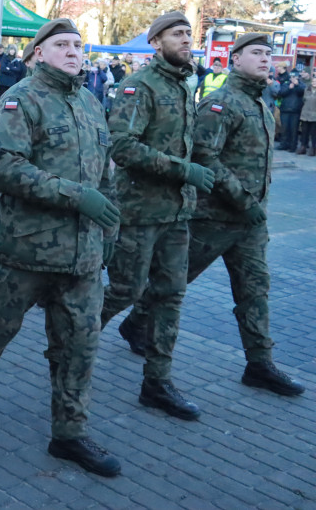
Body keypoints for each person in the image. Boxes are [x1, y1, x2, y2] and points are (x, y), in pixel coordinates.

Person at [0, 18, 121, 478]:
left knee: (79, 346)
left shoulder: (91, 102)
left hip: (82, 257)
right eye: (62, 45)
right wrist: (76, 196)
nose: (74, 51)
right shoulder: (21, 100)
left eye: (78, 44)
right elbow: (5, 168)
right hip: (25, 251)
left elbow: (103, 175)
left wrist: (108, 230)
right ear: (37, 54)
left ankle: (69, 434)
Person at [119, 33, 305, 399]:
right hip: (212, 219)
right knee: (171, 285)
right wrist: (242, 200)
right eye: (256, 53)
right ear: (235, 59)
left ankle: (259, 364)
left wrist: (254, 209)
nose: (265, 59)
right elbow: (205, 156)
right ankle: (136, 323)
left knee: (255, 291)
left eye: (269, 54)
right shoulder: (221, 103)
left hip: (249, 224)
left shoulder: (260, 104)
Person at [100, 11, 215, 421]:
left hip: (177, 214)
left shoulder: (184, 85)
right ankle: (70, 344)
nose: (187, 40)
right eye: (177, 34)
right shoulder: (138, 87)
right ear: (155, 42)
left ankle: (157, 382)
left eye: (189, 34)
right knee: (124, 290)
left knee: (171, 294)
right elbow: (123, 148)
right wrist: (183, 170)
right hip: (139, 212)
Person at [275, 71, 304, 151]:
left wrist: (297, 85)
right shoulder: (286, 84)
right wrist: (289, 88)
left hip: (295, 110)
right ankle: (283, 144)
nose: (293, 79)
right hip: (285, 109)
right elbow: (280, 93)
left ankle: (293, 146)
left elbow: (302, 92)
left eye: (294, 77)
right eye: (291, 77)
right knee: (284, 129)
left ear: (298, 77)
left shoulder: (301, 85)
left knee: (293, 130)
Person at [297, 72, 316, 155]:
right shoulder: (307, 89)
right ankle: (303, 147)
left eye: (315, 82)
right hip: (305, 114)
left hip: (314, 115)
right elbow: (304, 99)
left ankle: (313, 148)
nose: (313, 83)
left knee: (314, 133)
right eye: (313, 82)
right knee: (304, 133)